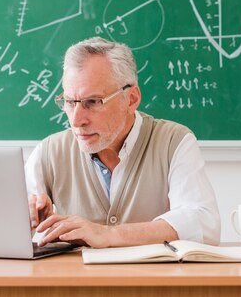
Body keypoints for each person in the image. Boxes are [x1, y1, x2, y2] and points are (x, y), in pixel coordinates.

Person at [25, 37, 220, 248]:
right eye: (70, 102)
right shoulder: (49, 151)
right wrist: (27, 219)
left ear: (132, 99)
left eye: (92, 102)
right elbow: (4, 227)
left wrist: (108, 235)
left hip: (152, 281)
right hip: (76, 281)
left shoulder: (174, 142)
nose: (76, 120)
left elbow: (204, 224)